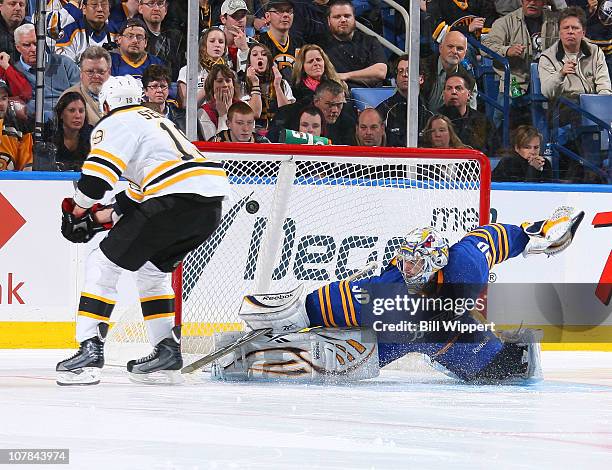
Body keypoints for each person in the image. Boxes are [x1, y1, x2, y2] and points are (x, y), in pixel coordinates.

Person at [215, 206, 584, 384]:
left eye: (415, 261)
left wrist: (536, 237)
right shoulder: (392, 284)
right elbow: (342, 298)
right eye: (404, 259)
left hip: (463, 346)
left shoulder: (465, 264)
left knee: (345, 357)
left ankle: (249, 358)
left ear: (437, 261)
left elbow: (492, 239)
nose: (407, 267)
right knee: (345, 355)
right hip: (419, 333)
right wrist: (302, 310)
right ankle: (247, 357)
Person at [55, 74, 231, 386]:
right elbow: (133, 199)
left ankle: (89, 350)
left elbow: (97, 180)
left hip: (172, 198)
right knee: (152, 271)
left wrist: (77, 209)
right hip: (209, 204)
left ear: (105, 104)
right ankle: (166, 350)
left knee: (101, 262)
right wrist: (96, 220)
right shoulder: (157, 122)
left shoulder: (114, 122)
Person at [483, 0, 561, 97]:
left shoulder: (556, 21)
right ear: (521, 1)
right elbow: (486, 46)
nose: (532, 3)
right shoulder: (505, 22)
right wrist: (506, 50)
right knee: (506, 104)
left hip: (548, 80)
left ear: (544, 2)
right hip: (516, 80)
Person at [539, 6, 612, 103]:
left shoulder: (595, 52)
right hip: (563, 106)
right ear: (560, 32)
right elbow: (547, 92)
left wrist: (602, 105)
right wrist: (561, 74)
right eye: (565, 28)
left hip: (592, 104)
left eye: (575, 28)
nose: (570, 32)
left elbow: (604, 86)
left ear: (583, 33)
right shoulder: (547, 57)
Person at [14, 23, 80, 122]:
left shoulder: (65, 63)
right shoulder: (15, 71)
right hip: (33, 122)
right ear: (18, 47)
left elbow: (80, 95)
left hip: (68, 118)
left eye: (36, 44)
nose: (33, 49)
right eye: (27, 45)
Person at [318, 0, 387, 88]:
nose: (343, 20)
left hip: (367, 96)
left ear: (354, 18)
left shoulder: (370, 41)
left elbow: (380, 72)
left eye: (347, 16)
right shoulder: (319, 44)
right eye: (337, 17)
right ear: (328, 20)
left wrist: (346, 76)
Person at [439, 71, 499, 156]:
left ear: (469, 94)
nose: (453, 92)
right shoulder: (435, 119)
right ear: (443, 94)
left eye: (458, 88)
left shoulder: (484, 122)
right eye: (449, 88)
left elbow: (494, 153)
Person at [422, 30, 477, 114]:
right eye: (450, 46)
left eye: (460, 49)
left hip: (452, 125)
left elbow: (469, 117)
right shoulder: (421, 69)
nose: (455, 51)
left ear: (465, 54)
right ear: (440, 48)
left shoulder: (469, 81)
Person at [244, 42, 295, 132]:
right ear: (249, 62)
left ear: (269, 60)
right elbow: (255, 113)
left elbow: (286, 114)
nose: (260, 57)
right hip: (254, 134)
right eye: (255, 54)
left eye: (264, 54)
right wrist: (255, 83)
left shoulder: (282, 83)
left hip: (279, 132)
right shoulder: (243, 85)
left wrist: (277, 86)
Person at [53, 0, 121, 63]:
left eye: (104, 5)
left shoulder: (119, 32)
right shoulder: (69, 31)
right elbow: (66, 68)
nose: (100, 9)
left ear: (109, 10)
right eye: (94, 5)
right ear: (84, 9)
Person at [177, 26, 227, 108]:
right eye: (212, 41)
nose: (217, 45)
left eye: (221, 42)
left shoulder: (229, 72)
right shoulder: (187, 70)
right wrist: (207, 86)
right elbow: (185, 104)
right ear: (204, 45)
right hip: (197, 118)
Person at [61, 45, 112, 126]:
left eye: (101, 72)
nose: (96, 76)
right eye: (90, 72)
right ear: (81, 73)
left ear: (109, 72)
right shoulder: (69, 98)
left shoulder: (120, 92)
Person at [43, 92, 93, 172]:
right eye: (72, 110)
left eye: (81, 111)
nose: (78, 116)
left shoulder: (93, 135)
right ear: (61, 114)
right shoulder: (47, 134)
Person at [137, 0, 185, 80]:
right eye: (151, 3)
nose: (156, 8)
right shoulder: (134, 36)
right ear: (140, 8)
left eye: (160, 4)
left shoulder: (176, 38)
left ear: (166, 10)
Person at [257, 0, 303, 81]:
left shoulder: (300, 43)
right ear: (267, 16)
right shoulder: (259, 43)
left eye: (289, 11)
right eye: (279, 11)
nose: (285, 15)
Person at [198, 63, 243, 140]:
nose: (225, 85)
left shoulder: (243, 106)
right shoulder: (203, 112)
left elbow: (247, 138)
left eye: (228, 80)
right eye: (219, 81)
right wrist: (223, 115)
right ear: (211, 86)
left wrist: (229, 110)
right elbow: (215, 144)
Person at [142, 64, 186, 132]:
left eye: (163, 86)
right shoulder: (138, 117)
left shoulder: (182, 116)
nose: (159, 90)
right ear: (145, 91)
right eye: (154, 86)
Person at [0, 77, 31, 170]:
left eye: (4, 98)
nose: (1, 103)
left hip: (11, 183)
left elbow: (27, 168)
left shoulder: (20, 129)